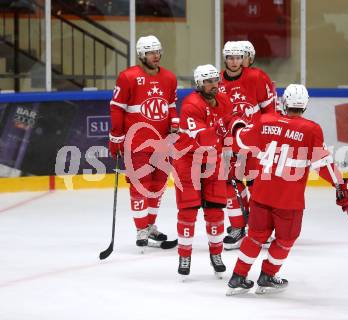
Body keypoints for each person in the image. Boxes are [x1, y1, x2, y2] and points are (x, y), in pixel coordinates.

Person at [224, 84, 348, 296]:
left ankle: (238, 277)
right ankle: (267, 275)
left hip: (262, 193)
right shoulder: (310, 129)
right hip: (288, 199)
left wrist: (235, 122)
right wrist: (341, 185)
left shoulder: (265, 121)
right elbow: (322, 164)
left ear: (284, 102)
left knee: (255, 236)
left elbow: (240, 141)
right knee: (285, 239)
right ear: (305, 104)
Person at [108, 35, 179, 250]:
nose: (155, 56)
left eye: (157, 51)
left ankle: (150, 226)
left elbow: (171, 105)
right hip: (136, 142)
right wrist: (116, 136)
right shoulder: (128, 77)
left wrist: (175, 127)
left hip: (161, 143)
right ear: (141, 55)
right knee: (141, 186)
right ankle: (140, 229)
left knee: (157, 187)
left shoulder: (169, 77)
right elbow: (117, 107)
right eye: (150, 52)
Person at [173, 64, 235, 280]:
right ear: (198, 83)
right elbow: (202, 138)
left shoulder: (224, 100)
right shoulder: (191, 105)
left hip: (212, 160)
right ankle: (184, 256)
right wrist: (221, 129)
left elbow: (228, 130)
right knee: (188, 211)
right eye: (208, 81)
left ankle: (216, 254)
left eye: (216, 80)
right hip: (187, 160)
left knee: (216, 210)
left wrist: (228, 148)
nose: (213, 85)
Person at [219, 41, 276, 250]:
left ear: (243, 58)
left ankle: (260, 228)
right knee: (228, 184)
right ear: (225, 59)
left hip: (255, 145)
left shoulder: (256, 77)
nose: (234, 62)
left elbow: (269, 110)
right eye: (230, 58)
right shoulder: (217, 82)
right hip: (229, 145)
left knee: (257, 186)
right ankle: (238, 226)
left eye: (238, 57)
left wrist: (270, 137)